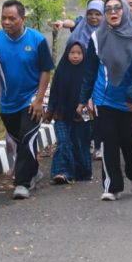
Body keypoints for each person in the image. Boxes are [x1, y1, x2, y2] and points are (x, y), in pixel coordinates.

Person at [0, 0, 54, 200]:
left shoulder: (37, 40)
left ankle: (22, 183)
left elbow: (46, 70)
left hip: (32, 98)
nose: (7, 22)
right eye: (4, 18)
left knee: (27, 138)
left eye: (12, 18)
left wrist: (39, 100)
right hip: (8, 102)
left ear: (23, 19)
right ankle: (33, 172)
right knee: (20, 142)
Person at [79, 0, 132, 200]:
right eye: (108, 9)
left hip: (130, 101)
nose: (113, 12)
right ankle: (111, 187)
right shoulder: (97, 37)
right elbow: (90, 70)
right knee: (108, 142)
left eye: (117, 8)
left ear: (125, 11)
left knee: (131, 143)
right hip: (105, 99)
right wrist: (83, 98)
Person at [47, 40, 92, 183]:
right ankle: (62, 172)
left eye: (79, 53)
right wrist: (50, 110)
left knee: (81, 143)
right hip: (61, 112)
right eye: (72, 52)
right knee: (63, 141)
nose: (75, 56)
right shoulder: (61, 70)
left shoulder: (88, 73)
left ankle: (82, 172)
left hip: (83, 112)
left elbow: (93, 92)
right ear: (67, 53)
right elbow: (54, 91)